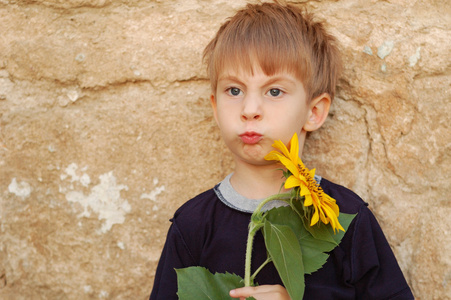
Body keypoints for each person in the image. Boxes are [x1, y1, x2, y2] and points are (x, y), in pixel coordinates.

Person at [149, 2, 414, 299]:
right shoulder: (193, 226)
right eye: (234, 91)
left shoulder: (342, 218)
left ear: (313, 112)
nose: (250, 110)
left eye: (274, 91)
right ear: (215, 108)